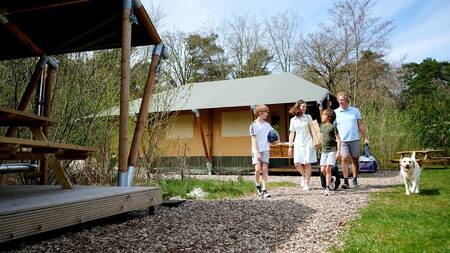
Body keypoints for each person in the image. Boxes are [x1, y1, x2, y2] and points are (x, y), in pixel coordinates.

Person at [334, 91, 369, 189]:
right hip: (342, 140)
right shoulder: (336, 112)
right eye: (339, 100)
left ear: (346, 100)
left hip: (354, 139)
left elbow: (361, 125)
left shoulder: (355, 111)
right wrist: (336, 139)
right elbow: (333, 127)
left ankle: (354, 179)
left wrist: (366, 137)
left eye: (342, 100)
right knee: (344, 158)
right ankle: (345, 181)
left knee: (354, 160)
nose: (340, 101)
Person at [287, 100, 317, 191]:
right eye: (303, 106)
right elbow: (292, 133)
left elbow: (312, 130)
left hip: (308, 142)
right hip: (298, 143)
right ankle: (304, 176)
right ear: (298, 107)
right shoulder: (293, 120)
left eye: (305, 107)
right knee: (297, 163)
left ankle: (307, 184)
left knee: (308, 163)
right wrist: (290, 146)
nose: (305, 108)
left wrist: (316, 141)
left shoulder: (308, 117)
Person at [249, 104, 274, 198]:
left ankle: (264, 189)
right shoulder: (253, 125)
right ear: (260, 113)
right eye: (266, 112)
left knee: (264, 169)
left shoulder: (267, 125)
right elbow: (254, 140)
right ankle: (257, 184)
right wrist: (257, 152)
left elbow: (273, 135)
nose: (267, 114)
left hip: (266, 149)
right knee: (257, 170)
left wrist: (275, 141)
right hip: (256, 150)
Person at [320, 109, 341, 196]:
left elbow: (338, 140)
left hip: (332, 150)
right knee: (322, 170)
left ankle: (327, 188)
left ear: (329, 117)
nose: (321, 116)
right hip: (323, 151)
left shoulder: (333, 127)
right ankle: (331, 179)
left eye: (323, 115)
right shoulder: (322, 127)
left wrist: (338, 152)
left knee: (328, 168)